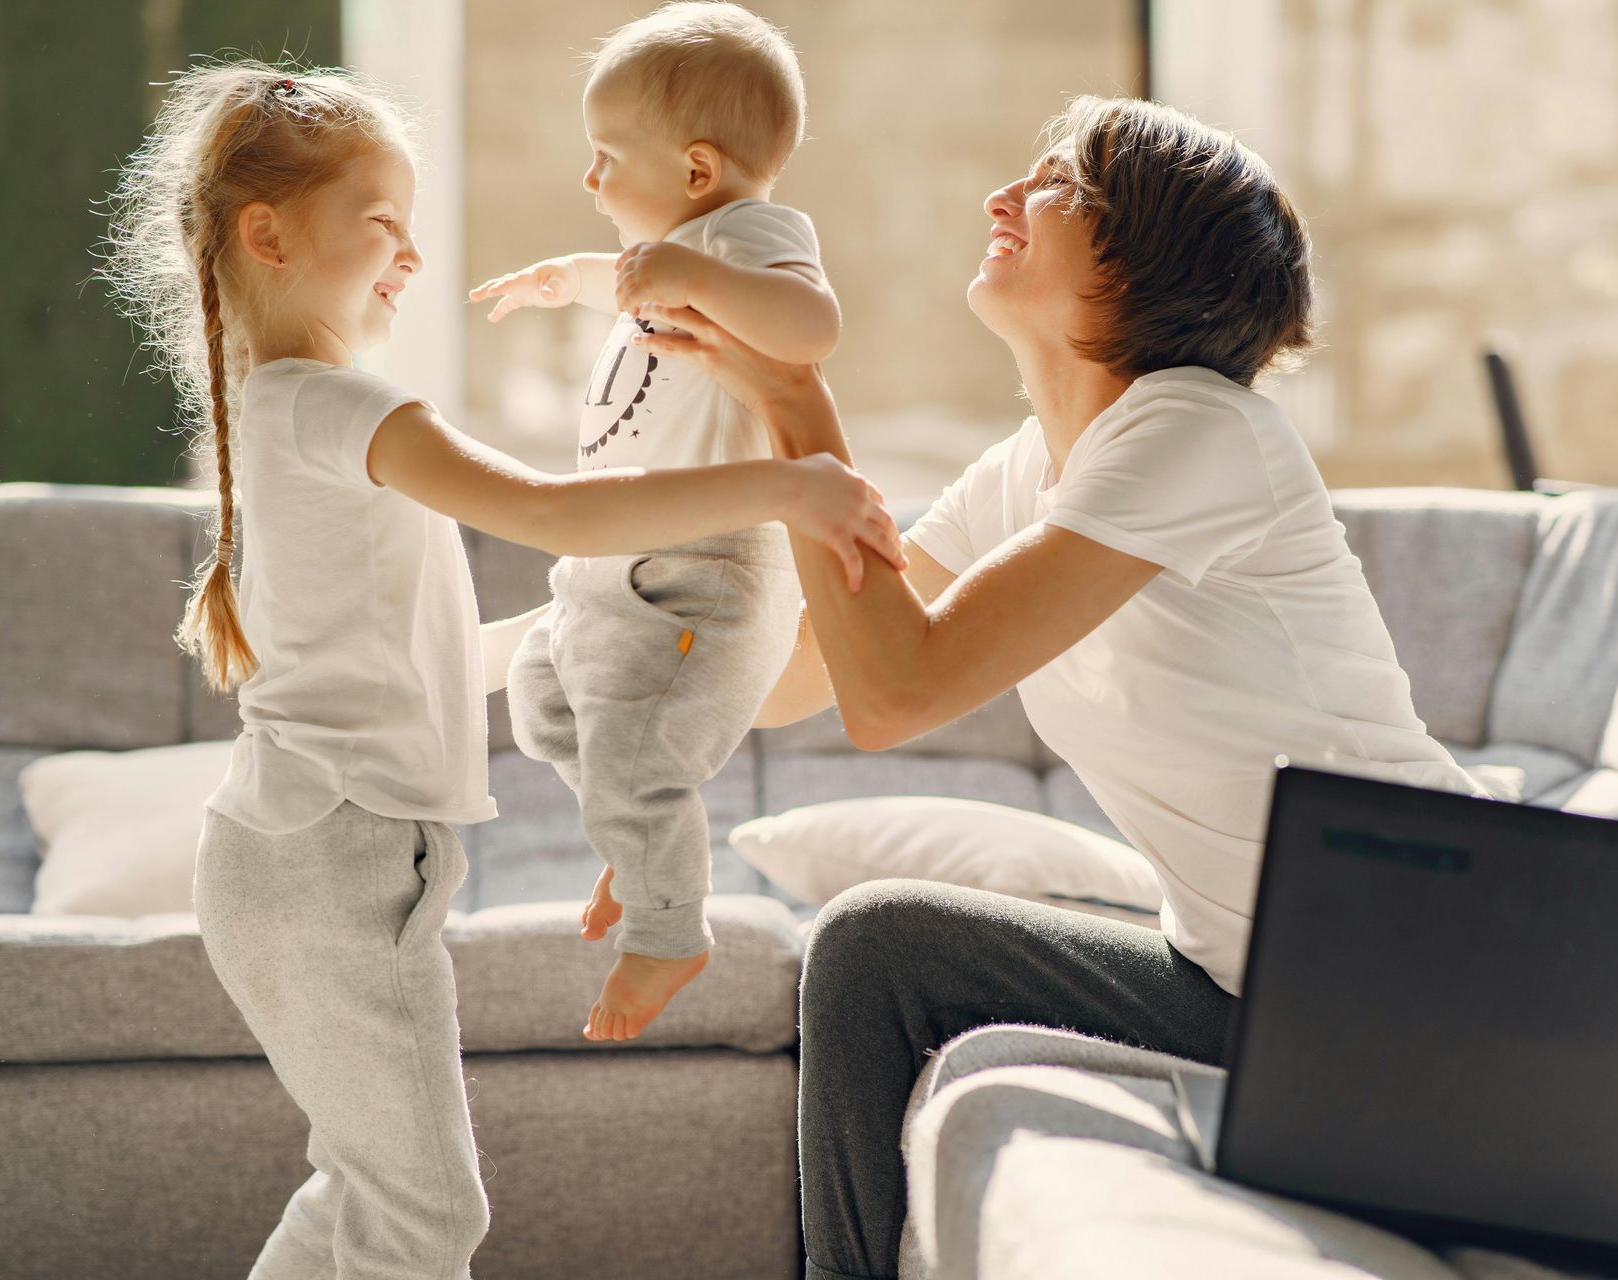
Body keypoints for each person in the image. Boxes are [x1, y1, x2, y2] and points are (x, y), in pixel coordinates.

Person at [633, 95, 1483, 1280]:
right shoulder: (1025, 469)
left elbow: (898, 692)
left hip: (1424, 982)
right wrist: (623, 621)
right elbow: (794, 683)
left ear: (1152, 255)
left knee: (875, 938)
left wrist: (800, 409)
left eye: (1058, 186)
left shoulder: (1201, 428)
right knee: (879, 950)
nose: (1004, 199)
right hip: (1242, 989)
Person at [98, 59, 900, 1280]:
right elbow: (554, 514)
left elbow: (432, 655)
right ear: (266, 234)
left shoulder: (285, 410)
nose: (410, 258)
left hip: (295, 861)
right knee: (425, 1217)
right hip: (333, 863)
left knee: (367, 1187)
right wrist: (789, 484)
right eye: (383, 225)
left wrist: (593, 652)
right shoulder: (341, 408)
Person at [468, 2, 840, 1042]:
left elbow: (813, 328)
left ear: (696, 170)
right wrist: (565, 281)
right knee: (542, 700)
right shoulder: (668, 255)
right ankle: (640, 846)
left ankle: (672, 928)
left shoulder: (753, 238)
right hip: (616, 557)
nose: (589, 181)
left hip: (705, 566)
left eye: (605, 157)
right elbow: (625, 289)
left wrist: (700, 274)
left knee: (636, 757)